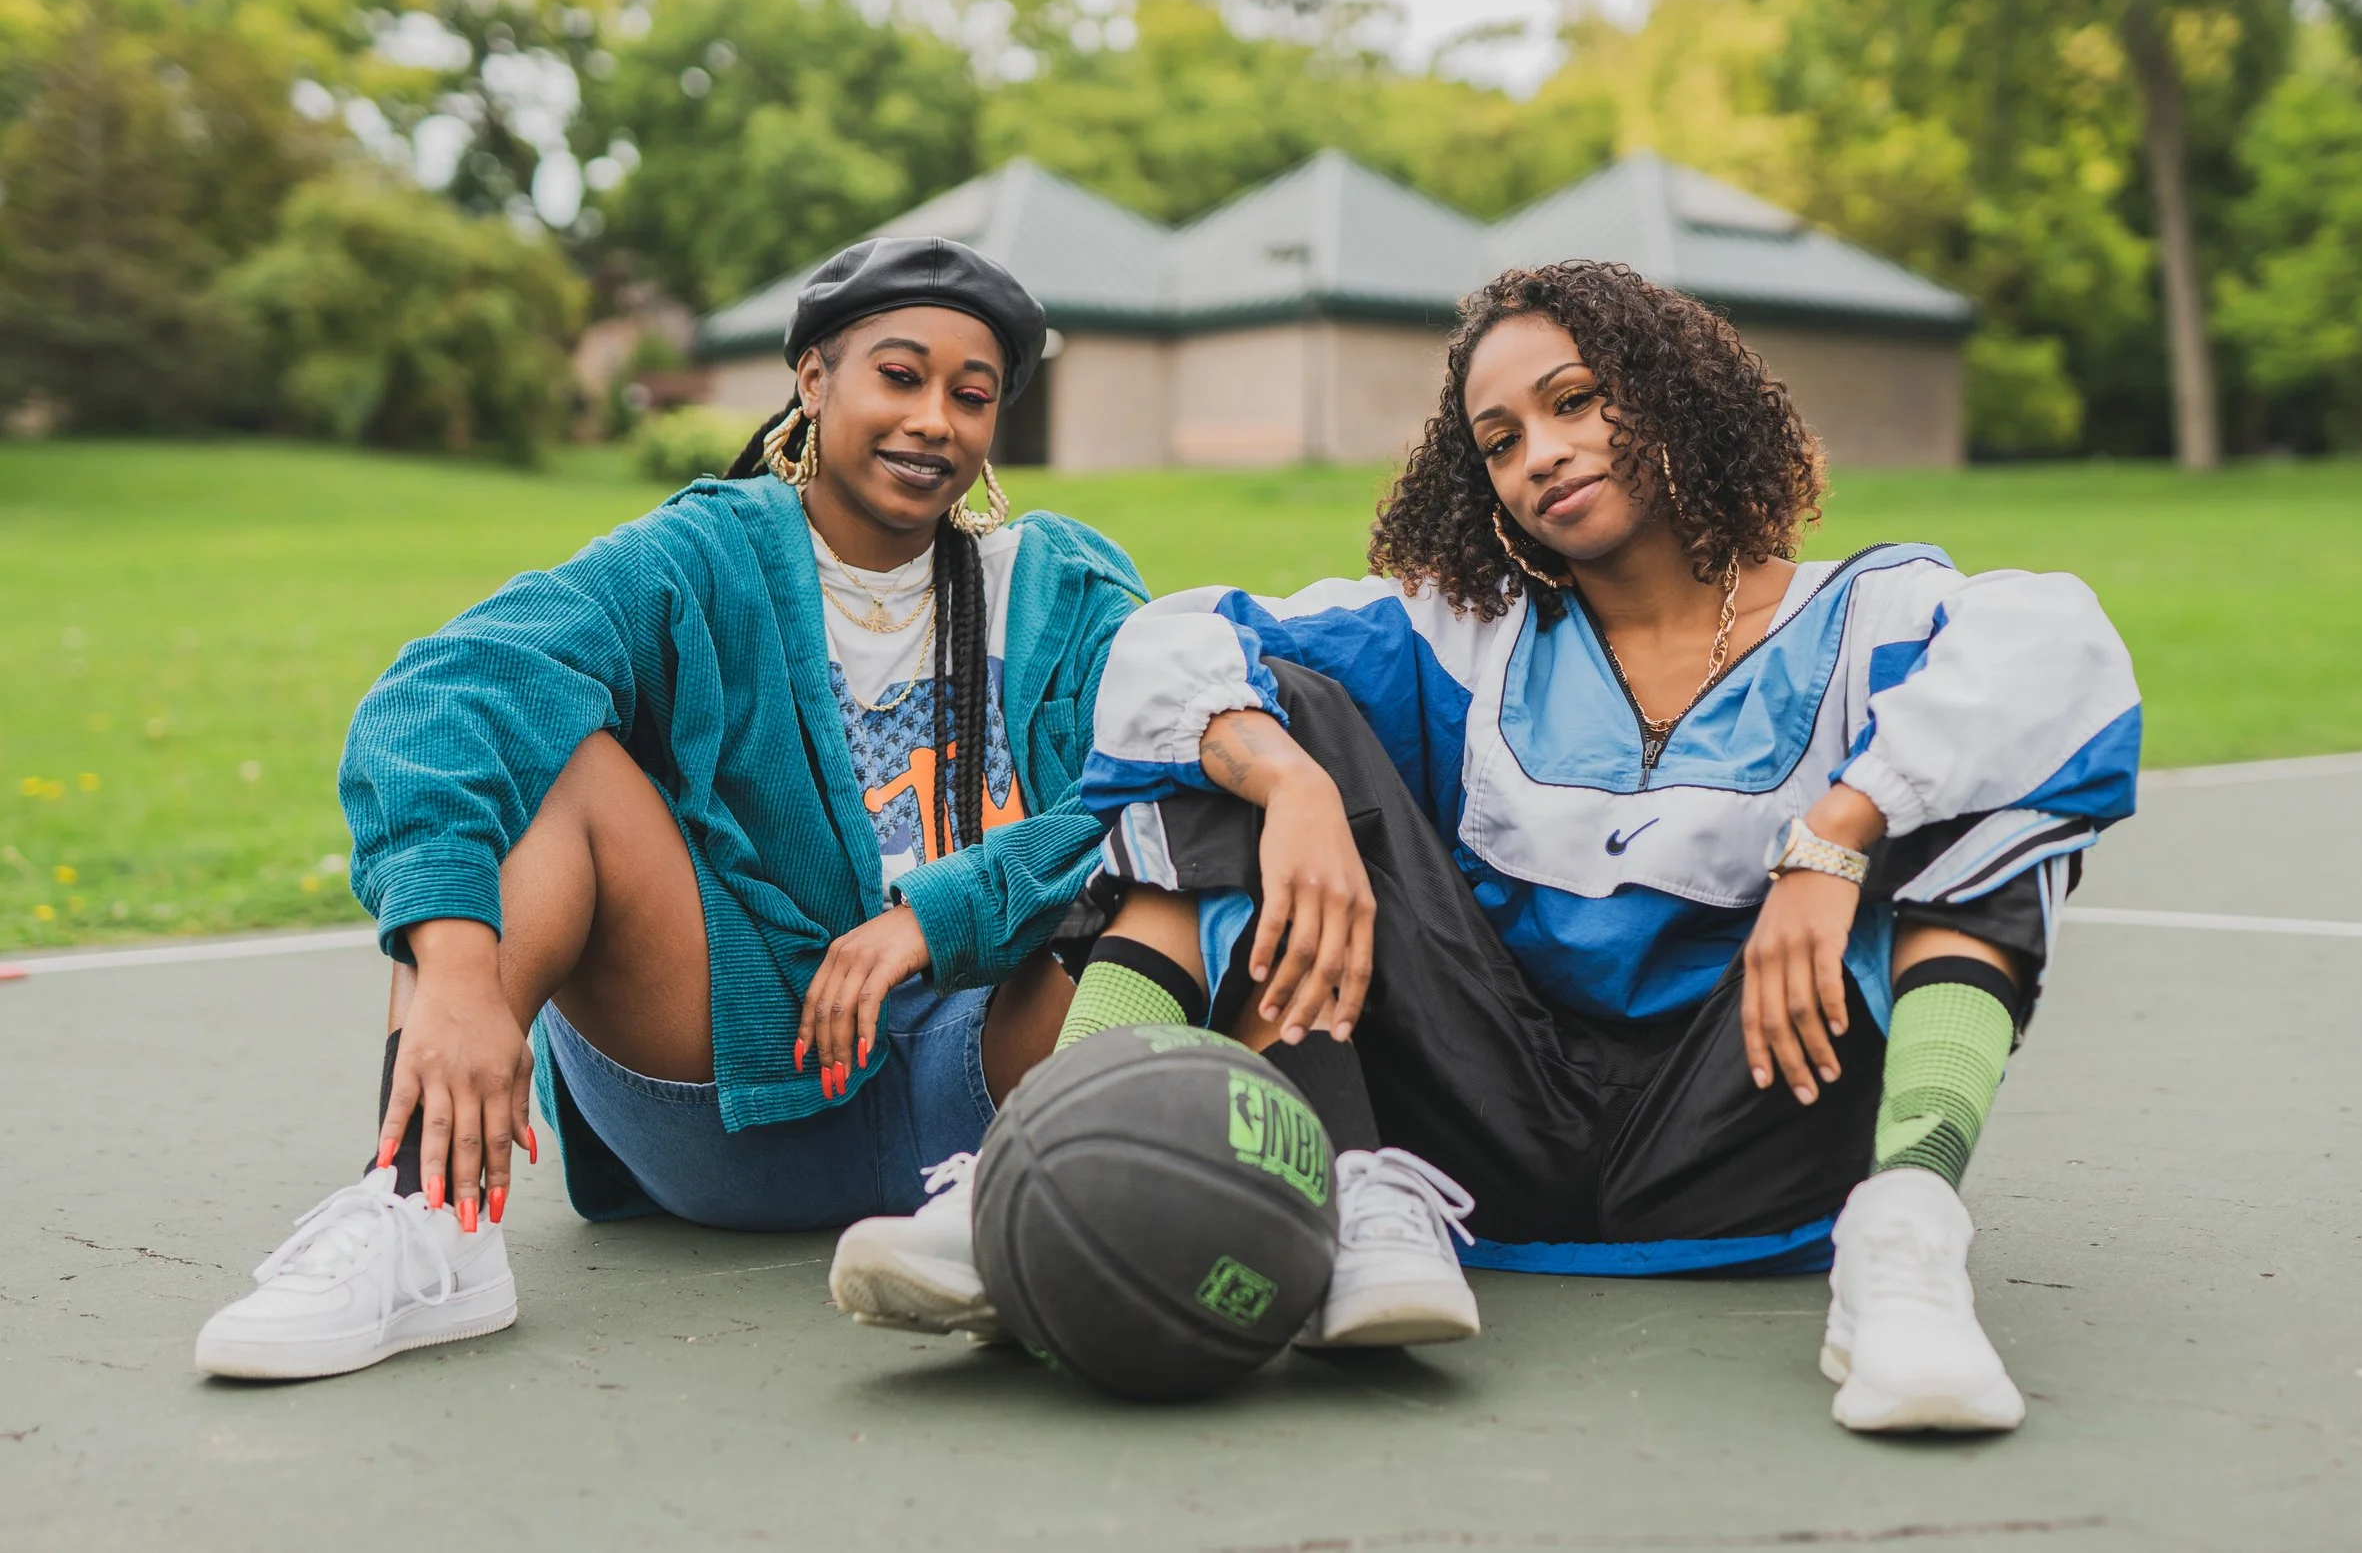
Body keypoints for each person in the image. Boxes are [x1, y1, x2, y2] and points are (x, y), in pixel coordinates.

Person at [835, 260, 2140, 1431]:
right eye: (1502, 438)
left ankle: (1907, 1241)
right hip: (1471, 1149)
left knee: (1976, 777)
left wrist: (1834, 836)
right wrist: (1287, 783)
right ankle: (1049, 1188)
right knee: (1238, 729)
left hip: (1754, 1132)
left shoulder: (1876, 619)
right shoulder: (1464, 640)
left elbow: (2065, 660)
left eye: (1576, 402)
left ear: (1680, 394)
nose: (1542, 455)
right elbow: (1166, 648)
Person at [194, 237, 1146, 1381]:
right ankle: (425, 1219)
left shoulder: (1062, 584)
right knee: (565, 759)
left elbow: (1150, 781)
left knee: (1193, 840)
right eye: (900, 375)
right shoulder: (703, 556)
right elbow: (440, 696)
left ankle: (1278, 1188)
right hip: (737, 1088)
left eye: (972, 393)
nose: (934, 417)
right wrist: (454, 974)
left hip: (993, 1089)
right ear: (813, 381)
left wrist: (936, 914)